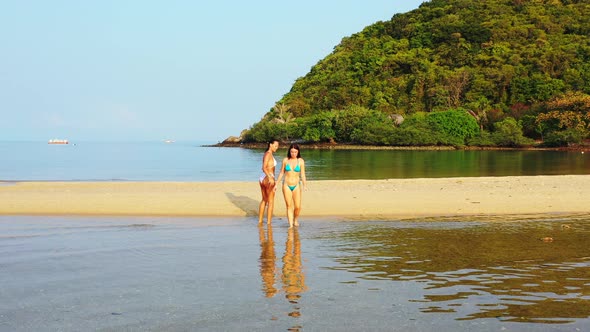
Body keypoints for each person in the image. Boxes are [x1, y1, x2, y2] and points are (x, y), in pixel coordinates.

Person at [277, 143, 307, 227]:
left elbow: (303, 174)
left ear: (298, 152)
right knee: (289, 206)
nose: (293, 154)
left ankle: (295, 220)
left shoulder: (300, 161)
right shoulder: (285, 160)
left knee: (297, 207)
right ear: (289, 151)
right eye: (292, 152)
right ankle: (290, 225)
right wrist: (276, 184)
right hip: (286, 185)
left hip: (297, 185)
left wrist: (305, 185)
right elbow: (281, 172)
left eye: (295, 152)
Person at [259, 139, 279, 224]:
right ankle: (269, 223)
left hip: (262, 178)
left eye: (277, 146)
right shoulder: (268, 154)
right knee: (270, 202)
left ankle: (260, 221)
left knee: (264, 200)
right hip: (268, 178)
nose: (277, 148)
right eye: (275, 146)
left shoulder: (268, 154)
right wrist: (270, 177)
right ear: (270, 145)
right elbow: (263, 168)